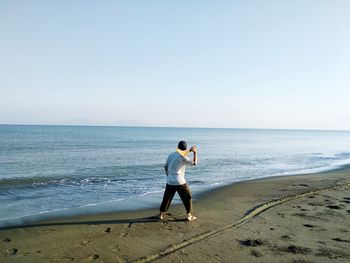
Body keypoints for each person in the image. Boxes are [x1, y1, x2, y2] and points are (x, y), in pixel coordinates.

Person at [158, 140, 198, 221]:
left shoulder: (171, 155)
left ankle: (160, 214)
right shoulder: (184, 157)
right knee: (187, 197)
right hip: (180, 181)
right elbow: (194, 163)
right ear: (185, 148)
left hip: (170, 181)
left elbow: (165, 166)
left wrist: (168, 176)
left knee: (167, 198)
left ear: (178, 147)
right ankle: (189, 215)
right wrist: (195, 152)